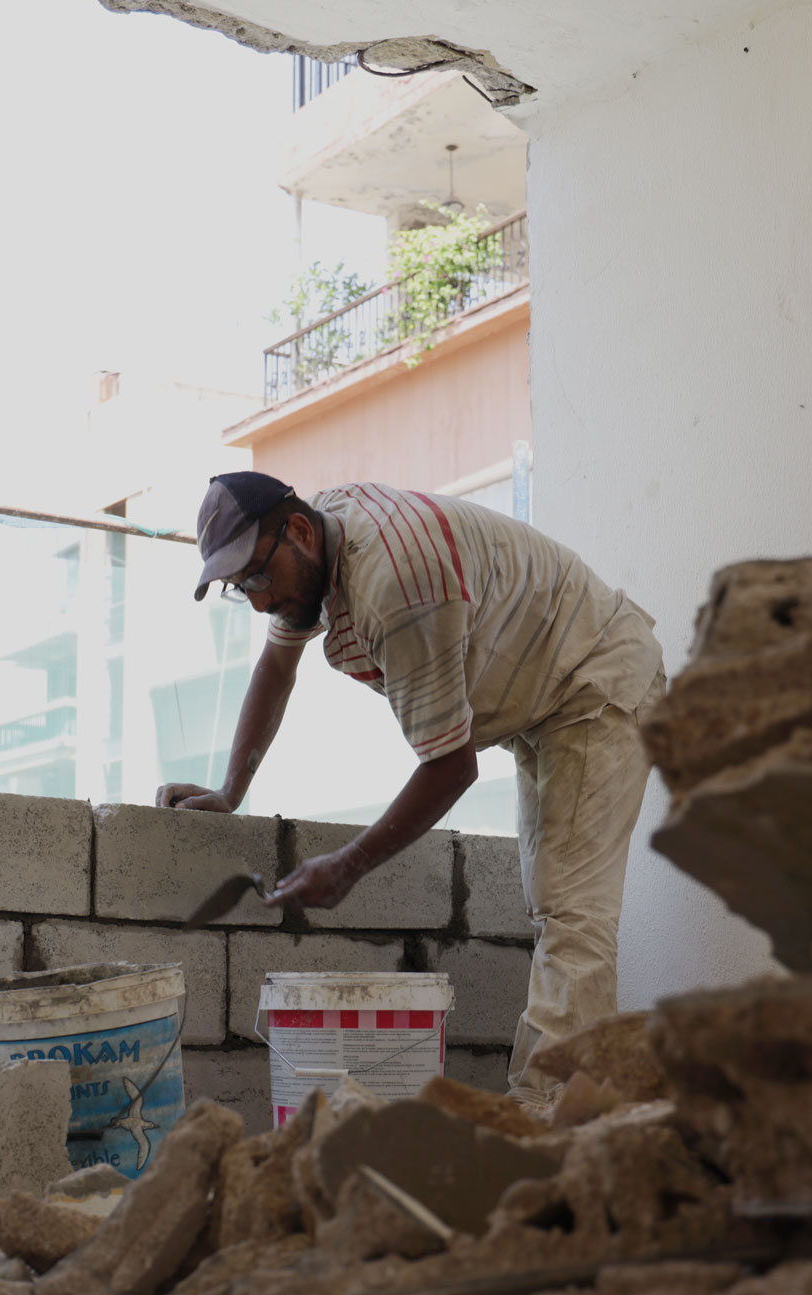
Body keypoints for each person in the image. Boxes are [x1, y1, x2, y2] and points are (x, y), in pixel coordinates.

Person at [156, 472, 664, 1108]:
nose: (259, 603)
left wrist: (349, 865)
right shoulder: (319, 551)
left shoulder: (396, 583)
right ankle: (562, 1103)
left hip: (594, 678)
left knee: (571, 908)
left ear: (300, 531)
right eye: (241, 588)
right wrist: (233, 789)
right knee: (557, 905)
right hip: (542, 700)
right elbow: (277, 666)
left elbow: (452, 768)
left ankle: (551, 1111)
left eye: (257, 578)